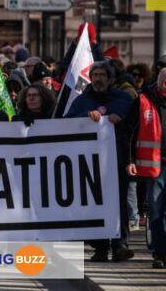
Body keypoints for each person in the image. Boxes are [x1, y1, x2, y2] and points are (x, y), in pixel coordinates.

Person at [66, 61, 134, 262]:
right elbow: (67, 122)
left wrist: (120, 117)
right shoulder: (81, 101)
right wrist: (85, 118)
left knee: (119, 203)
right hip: (90, 163)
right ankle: (101, 248)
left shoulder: (123, 99)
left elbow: (134, 124)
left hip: (117, 160)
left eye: (102, 74)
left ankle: (120, 245)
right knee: (95, 203)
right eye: (94, 74)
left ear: (111, 78)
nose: (98, 78)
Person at [125, 68, 166, 268]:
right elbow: (130, 132)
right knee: (156, 211)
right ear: (158, 82)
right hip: (155, 166)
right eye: (164, 81)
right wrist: (131, 159)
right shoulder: (143, 100)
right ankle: (159, 253)